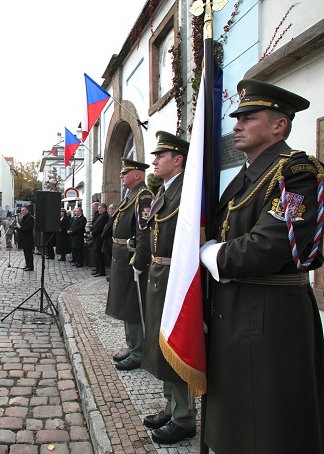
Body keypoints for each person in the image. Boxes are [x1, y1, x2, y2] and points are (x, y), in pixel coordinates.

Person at [199, 79, 324, 454]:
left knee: (270, 423)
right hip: (234, 311)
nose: (236, 125)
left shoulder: (298, 174)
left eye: (248, 117)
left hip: (270, 317)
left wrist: (211, 255)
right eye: (236, 117)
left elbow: (267, 246)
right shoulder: (243, 178)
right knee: (237, 419)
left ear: (279, 126)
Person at [136, 132, 196, 444]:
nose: (155, 161)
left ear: (178, 160)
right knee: (161, 345)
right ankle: (171, 407)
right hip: (159, 276)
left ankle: (184, 417)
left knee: (177, 346)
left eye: (161, 156)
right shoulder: (163, 191)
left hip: (175, 278)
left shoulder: (187, 190)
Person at [106, 158, 153, 371]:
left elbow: (144, 234)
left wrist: (140, 263)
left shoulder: (143, 197)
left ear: (137, 175)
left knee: (134, 306)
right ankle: (132, 346)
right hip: (122, 257)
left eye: (125, 173)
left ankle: (138, 353)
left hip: (131, 258)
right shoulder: (129, 197)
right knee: (125, 304)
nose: (121, 176)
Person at [90, 203, 109, 277]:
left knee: (99, 255)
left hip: (99, 238)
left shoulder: (105, 216)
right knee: (96, 255)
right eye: (98, 208)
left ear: (104, 208)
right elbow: (95, 224)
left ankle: (101, 271)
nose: (98, 210)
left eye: (100, 208)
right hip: (96, 237)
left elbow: (100, 227)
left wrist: (93, 233)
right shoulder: (100, 215)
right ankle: (98, 269)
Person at [14, 206, 34, 271]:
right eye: (21, 210)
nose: (22, 212)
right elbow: (22, 227)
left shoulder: (30, 218)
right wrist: (18, 228)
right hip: (24, 237)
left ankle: (30, 266)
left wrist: (21, 228)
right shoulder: (24, 217)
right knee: (25, 252)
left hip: (28, 238)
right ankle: (27, 264)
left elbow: (29, 227)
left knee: (29, 253)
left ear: (27, 210)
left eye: (23, 210)